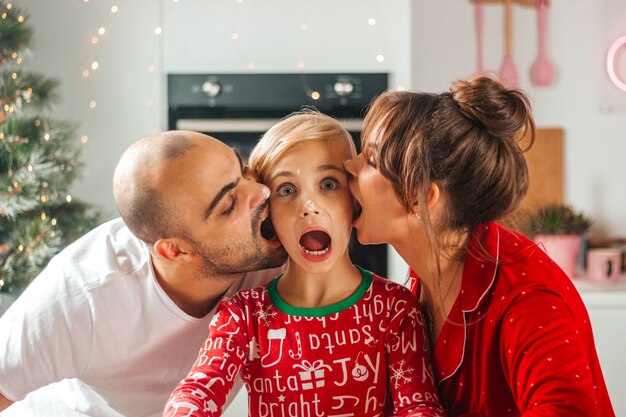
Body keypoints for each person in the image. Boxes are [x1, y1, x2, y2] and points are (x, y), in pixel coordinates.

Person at [344, 75, 615, 417]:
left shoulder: (529, 301)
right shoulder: (424, 275)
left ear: (420, 198)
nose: (348, 167)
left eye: (370, 160)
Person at [163, 110, 446, 417]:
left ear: (353, 199)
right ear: (268, 211)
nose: (309, 208)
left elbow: (418, 405)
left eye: (328, 184)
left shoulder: (396, 310)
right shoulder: (244, 315)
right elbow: (199, 389)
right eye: (287, 190)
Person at [0, 130, 287, 417]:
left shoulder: (273, 248)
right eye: (228, 205)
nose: (261, 191)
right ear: (175, 251)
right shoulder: (81, 298)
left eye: (243, 169)